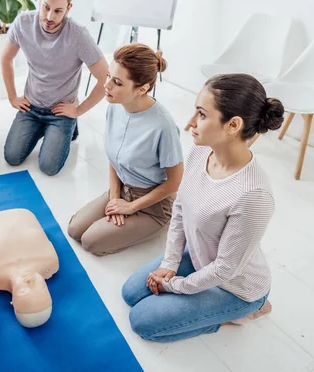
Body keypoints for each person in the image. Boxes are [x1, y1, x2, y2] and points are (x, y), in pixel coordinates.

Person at [121, 73, 285, 343]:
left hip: (236, 287)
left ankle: (247, 311)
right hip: (201, 259)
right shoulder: (201, 151)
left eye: (201, 114)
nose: (190, 123)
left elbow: (224, 269)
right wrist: (170, 262)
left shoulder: (254, 195)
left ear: (233, 125)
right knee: (131, 293)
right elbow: (181, 209)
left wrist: (175, 285)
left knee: (143, 323)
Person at [68, 44, 183, 255]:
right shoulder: (115, 106)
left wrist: (131, 207)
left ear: (142, 89)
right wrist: (114, 197)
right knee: (75, 229)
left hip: (152, 205)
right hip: (122, 188)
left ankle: (158, 225)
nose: (107, 85)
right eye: (109, 76)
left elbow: (175, 182)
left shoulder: (163, 127)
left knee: (90, 242)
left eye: (117, 82)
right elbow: (115, 157)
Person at [1, 0, 109, 176]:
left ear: (69, 8)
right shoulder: (23, 23)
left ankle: (68, 126)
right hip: (31, 106)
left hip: (60, 111)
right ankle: (47, 130)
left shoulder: (79, 35)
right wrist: (12, 97)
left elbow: (106, 78)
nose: (50, 17)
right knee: (12, 157)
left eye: (58, 11)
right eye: (46, 7)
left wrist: (77, 111)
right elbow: (5, 58)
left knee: (48, 167)